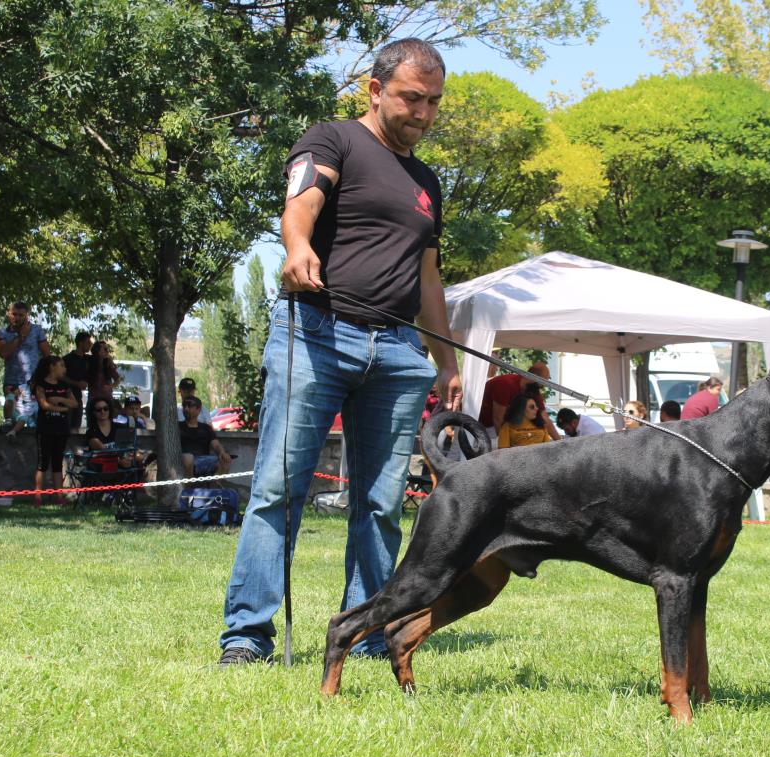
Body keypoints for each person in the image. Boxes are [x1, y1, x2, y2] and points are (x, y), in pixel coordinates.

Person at [219, 38, 462, 666]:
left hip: (400, 353)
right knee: (277, 489)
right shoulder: (332, 140)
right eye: (412, 98)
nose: (424, 113)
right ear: (376, 90)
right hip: (318, 334)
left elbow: (429, 277)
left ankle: (370, 631)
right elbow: (302, 202)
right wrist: (297, 248)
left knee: (381, 505)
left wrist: (447, 361)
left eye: (434, 101)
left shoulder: (427, 182)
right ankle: (248, 637)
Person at [29, 355, 78, 507]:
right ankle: (37, 496)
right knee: (42, 463)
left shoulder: (64, 386)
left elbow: (74, 403)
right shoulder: (40, 385)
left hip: (61, 429)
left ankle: (59, 496)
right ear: (52, 367)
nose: (65, 368)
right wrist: (62, 408)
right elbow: (44, 404)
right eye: (61, 365)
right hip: (45, 429)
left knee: (57, 463)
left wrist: (59, 399)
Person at [0, 301, 50, 420]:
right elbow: (3, 353)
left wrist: (40, 378)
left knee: (33, 419)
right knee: (12, 419)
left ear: (27, 315)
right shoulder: (3, 332)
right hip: (12, 382)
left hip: (33, 381)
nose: (17, 318)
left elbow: (47, 356)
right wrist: (21, 337)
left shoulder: (37, 330)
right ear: (9, 314)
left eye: (21, 315)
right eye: (14, 314)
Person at [478, 361, 551, 445]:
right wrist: (507, 443)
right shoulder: (506, 384)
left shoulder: (533, 390)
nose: (541, 388)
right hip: (481, 425)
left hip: (496, 426)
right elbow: (498, 418)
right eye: (542, 385)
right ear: (535, 378)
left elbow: (545, 418)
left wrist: (560, 441)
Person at [179, 396, 232, 477]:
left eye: (189, 405)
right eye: (184, 406)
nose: (186, 408)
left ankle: (213, 488)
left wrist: (222, 452)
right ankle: (189, 488)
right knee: (188, 458)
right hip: (185, 461)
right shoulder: (177, 426)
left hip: (204, 460)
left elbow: (216, 444)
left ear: (198, 409)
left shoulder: (206, 428)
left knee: (225, 459)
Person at [62, 331, 94, 432]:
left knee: (76, 425)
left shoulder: (89, 359)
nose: (90, 345)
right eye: (88, 342)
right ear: (81, 343)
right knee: (66, 425)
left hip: (78, 398)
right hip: (67, 396)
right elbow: (61, 377)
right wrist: (76, 383)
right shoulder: (67, 359)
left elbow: (103, 356)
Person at [86, 340, 119, 417]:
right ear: (98, 351)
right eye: (105, 349)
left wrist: (110, 386)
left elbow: (117, 379)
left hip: (106, 398)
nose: (107, 351)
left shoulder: (108, 363)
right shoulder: (89, 362)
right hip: (93, 398)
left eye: (107, 349)